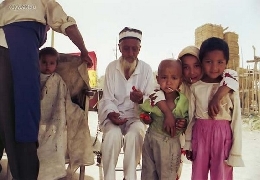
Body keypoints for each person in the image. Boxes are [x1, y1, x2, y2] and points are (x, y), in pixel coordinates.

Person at [0, 1, 93, 179]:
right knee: (25, 121)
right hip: (21, 53)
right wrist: (83, 51)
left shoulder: (6, 4)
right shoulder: (44, 2)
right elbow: (68, 25)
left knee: (3, 117)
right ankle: (25, 175)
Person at [149, 45, 239, 180]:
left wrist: (217, 96)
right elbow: (156, 90)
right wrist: (168, 114)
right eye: (185, 67)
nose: (192, 72)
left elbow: (233, 75)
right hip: (176, 135)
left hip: (211, 136)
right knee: (173, 170)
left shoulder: (223, 84)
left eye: (196, 65)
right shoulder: (176, 84)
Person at [98, 27, 154, 180]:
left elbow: (153, 99)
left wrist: (141, 99)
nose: (130, 53)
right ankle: (109, 177)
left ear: (139, 49)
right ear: (119, 48)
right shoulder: (111, 68)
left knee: (134, 135)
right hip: (113, 116)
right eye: (126, 49)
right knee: (113, 135)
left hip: (136, 117)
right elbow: (107, 98)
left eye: (134, 49)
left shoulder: (146, 70)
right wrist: (111, 113)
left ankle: (129, 177)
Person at [185, 37, 244, 180]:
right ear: (202, 62)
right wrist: (188, 144)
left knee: (222, 175)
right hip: (200, 136)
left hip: (223, 137)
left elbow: (236, 120)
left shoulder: (230, 88)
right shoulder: (195, 87)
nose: (214, 67)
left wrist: (236, 151)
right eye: (208, 62)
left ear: (226, 63)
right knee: (198, 175)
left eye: (220, 62)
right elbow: (191, 117)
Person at [38, 47, 94, 179]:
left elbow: (64, 99)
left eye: (51, 63)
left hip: (56, 118)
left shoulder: (58, 80)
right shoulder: (33, 78)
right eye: (44, 62)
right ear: (38, 62)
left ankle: (53, 173)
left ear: (56, 65)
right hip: (37, 118)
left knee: (57, 140)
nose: (48, 66)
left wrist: (74, 112)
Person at [140, 59, 189, 180]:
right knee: (148, 173)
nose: (168, 82)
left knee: (167, 175)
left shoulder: (183, 101)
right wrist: (145, 117)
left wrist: (184, 123)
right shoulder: (155, 97)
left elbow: (188, 117)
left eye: (174, 78)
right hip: (151, 140)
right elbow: (143, 108)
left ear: (180, 80)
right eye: (164, 77)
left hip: (171, 144)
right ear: (157, 79)